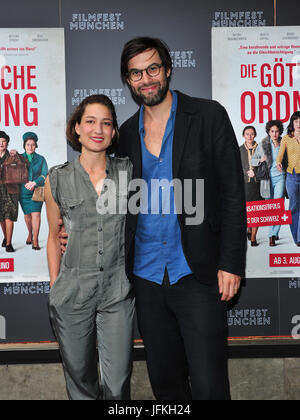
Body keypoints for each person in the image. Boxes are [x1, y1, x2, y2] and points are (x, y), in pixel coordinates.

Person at [116, 37, 246, 400]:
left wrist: (232, 263)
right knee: (166, 386)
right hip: (146, 278)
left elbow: (233, 194)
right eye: (136, 73)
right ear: (128, 81)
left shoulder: (208, 115)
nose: (147, 79)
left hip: (199, 274)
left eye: (153, 68)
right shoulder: (124, 134)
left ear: (168, 69)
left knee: (209, 386)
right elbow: (109, 199)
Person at [45, 94, 135, 400]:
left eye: (106, 123)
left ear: (113, 132)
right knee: (80, 379)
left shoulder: (128, 172)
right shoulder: (56, 178)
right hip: (72, 292)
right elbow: (53, 235)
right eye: (91, 121)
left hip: (117, 294)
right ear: (77, 128)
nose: (99, 129)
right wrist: (55, 283)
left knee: (118, 383)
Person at [251, 120, 287, 246]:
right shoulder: (263, 144)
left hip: (280, 177)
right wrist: (260, 160)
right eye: (272, 131)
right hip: (267, 179)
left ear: (280, 132)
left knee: (278, 204)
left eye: (277, 131)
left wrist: (285, 166)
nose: (275, 133)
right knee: (270, 207)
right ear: (269, 132)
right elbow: (253, 161)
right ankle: (274, 233)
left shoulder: (284, 142)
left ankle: (271, 235)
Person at [19, 132, 48, 250]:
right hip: (23, 190)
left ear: (36, 146)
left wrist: (35, 182)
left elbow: (45, 174)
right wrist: (25, 182)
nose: (30, 147)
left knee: (36, 214)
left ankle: (35, 239)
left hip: (38, 189)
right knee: (27, 215)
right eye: (28, 145)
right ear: (24, 146)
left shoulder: (41, 159)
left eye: (33, 145)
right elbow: (15, 173)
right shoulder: (19, 158)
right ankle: (29, 233)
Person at [277, 111, 300, 247]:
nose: (299, 124)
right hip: (292, 176)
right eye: (296, 121)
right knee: (294, 207)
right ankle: (297, 238)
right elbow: (280, 155)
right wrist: (278, 162)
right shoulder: (286, 138)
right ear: (292, 123)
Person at [239, 126, 261, 247]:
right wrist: (246, 172)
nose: (250, 136)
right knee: (246, 211)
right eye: (247, 134)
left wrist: (256, 173)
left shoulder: (261, 149)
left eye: (252, 134)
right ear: (243, 135)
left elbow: (266, 166)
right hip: (244, 184)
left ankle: (253, 237)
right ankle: (249, 229)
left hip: (257, 185)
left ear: (255, 135)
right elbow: (235, 167)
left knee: (256, 212)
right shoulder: (239, 149)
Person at [0, 131, 20, 252]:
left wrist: (18, 156)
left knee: (9, 216)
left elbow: (24, 167)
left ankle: (9, 243)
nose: (1, 144)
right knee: (1, 217)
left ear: (7, 143)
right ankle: (6, 237)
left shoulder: (12, 156)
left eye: (3, 142)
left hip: (10, 190)